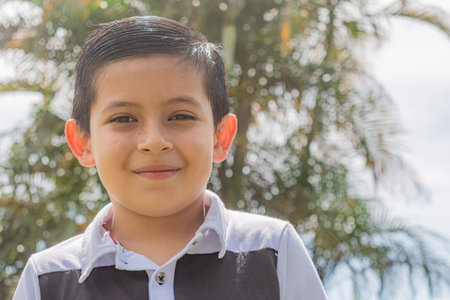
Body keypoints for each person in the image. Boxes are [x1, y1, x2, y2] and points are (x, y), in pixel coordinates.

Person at [13, 16, 327, 300]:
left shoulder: (273, 251)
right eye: (124, 119)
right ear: (83, 142)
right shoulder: (46, 280)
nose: (154, 142)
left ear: (221, 136)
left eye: (180, 116)